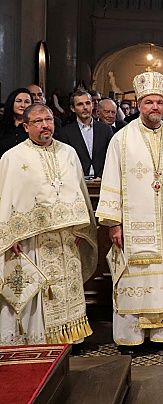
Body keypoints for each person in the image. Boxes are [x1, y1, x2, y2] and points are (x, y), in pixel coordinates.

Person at [96, 71, 163, 356]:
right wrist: (114, 224)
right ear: (140, 104)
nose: (155, 107)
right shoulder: (122, 139)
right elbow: (112, 180)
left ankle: (162, 335)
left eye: (159, 102)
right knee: (136, 279)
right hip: (133, 229)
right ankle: (130, 338)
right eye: (149, 103)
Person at [0, 104, 98, 350]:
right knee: (37, 293)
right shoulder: (12, 158)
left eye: (49, 120)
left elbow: (80, 194)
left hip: (66, 239)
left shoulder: (68, 153)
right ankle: (39, 342)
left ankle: (68, 340)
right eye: (38, 121)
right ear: (25, 126)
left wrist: (80, 230)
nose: (45, 125)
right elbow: (7, 199)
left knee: (67, 289)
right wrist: (10, 236)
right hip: (32, 241)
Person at [55, 90, 114, 180]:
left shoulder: (105, 130)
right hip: (77, 182)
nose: (85, 107)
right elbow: (64, 161)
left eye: (88, 103)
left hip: (102, 181)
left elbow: (111, 157)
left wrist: (101, 176)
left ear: (92, 105)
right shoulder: (65, 133)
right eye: (80, 104)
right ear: (72, 108)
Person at [0, 88, 32, 157]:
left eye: (27, 102)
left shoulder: (34, 126)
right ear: (11, 103)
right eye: (18, 101)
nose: (23, 105)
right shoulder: (2, 124)